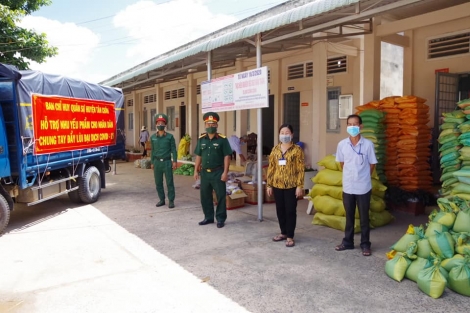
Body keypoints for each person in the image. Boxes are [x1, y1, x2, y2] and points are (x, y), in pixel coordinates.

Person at [334, 114, 377, 256]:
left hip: (363, 187)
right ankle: (348, 242)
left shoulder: (368, 145)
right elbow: (342, 164)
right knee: (349, 216)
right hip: (348, 186)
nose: (353, 127)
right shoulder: (342, 145)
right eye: (350, 124)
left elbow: (372, 164)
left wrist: (363, 176)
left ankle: (365, 244)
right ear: (347, 127)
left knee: (364, 217)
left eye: (355, 124)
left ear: (361, 126)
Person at [266, 124, 305, 247]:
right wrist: (269, 184)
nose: (284, 135)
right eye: (282, 132)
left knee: (290, 211)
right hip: (277, 185)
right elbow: (271, 168)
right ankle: (283, 232)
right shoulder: (275, 149)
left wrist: (300, 186)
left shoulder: (297, 150)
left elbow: (300, 169)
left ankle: (290, 236)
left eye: (287, 132)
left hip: (291, 186)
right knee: (280, 210)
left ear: (292, 134)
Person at [193, 112, 232, 228]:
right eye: (208, 124)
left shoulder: (222, 140)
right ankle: (208, 217)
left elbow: (227, 156)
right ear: (205, 125)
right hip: (205, 173)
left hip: (218, 172)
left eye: (213, 124)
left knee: (220, 196)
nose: (210, 126)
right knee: (205, 196)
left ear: (217, 125)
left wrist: (225, 172)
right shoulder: (201, 140)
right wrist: (196, 170)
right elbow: (198, 156)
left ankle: (220, 218)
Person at [150, 113, 177, 209]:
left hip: (166, 162)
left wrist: (174, 161)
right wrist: (152, 162)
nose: (160, 124)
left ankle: (171, 200)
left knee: (169, 182)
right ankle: (161, 199)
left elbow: (173, 149)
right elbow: (152, 150)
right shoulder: (153, 137)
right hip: (157, 162)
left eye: (162, 123)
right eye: (158, 123)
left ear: (165, 125)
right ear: (156, 124)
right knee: (158, 182)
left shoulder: (170, 137)